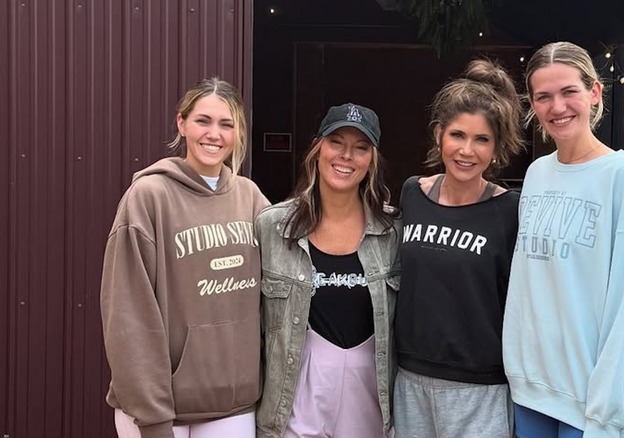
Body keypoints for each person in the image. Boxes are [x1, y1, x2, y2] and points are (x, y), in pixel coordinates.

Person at [502, 41, 624, 438]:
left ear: (594, 92)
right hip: (531, 390)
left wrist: (608, 408)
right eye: (543, 96)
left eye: (568, 91)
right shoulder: (537, 174)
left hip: (592, 403)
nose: (557, 107)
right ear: (532, 104)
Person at [100, 77, 270, 438]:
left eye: (226, 124)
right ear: (182, 123)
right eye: (202, 121)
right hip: (160, 412)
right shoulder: (149, 197)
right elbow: (128, 315)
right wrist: (152, 415)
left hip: (233, 407)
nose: (214, 134)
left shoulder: (251, 198)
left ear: (238, 132)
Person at [393, 59, 525, 438]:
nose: (467, 150)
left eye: (482, 139)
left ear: (497, 147)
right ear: (439, 135)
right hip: (411, 378)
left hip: (480, 387)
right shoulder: (412, 193)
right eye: (457, 135)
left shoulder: (510, 210)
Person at [255, 103, 400, 438]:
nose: (346, 155)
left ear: (372, 160)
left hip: (369, 397)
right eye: (336, 142)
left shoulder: (393, 231)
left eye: (360, 147)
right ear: (317, 148)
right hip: (295, 398)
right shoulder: (273, 227)